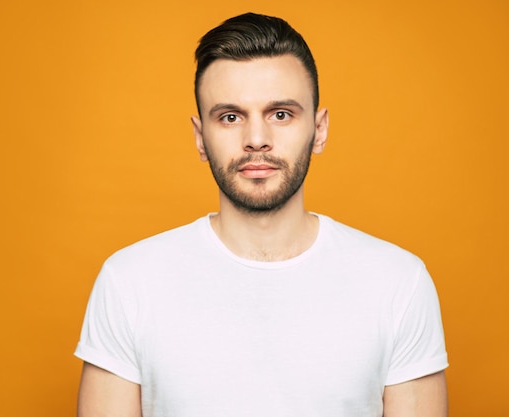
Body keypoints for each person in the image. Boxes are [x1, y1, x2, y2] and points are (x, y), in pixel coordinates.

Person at [75, 12, 448, 417]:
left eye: (281, 114)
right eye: (230, 117)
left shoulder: (398, 283)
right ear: (201, 138)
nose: (256, 140)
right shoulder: (129, 282)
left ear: (319, 130)